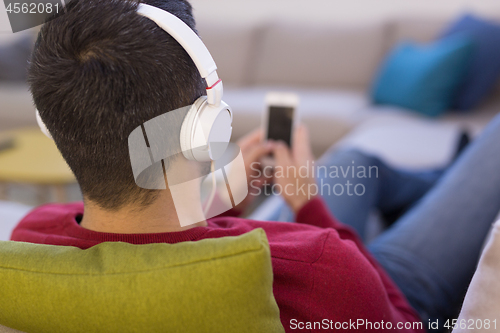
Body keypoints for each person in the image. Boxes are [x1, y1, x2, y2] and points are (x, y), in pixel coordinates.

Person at [11, 0, 500, 331]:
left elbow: (146, 239)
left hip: (259, 230)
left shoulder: (35, 237)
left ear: (53, 125)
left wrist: (220, 197)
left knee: (356, 159)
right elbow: (400, 322)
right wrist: (308, 206)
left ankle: (434, 180)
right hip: (392, 289)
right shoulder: (322, 262)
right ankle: (444, 177)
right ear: (205, 129)